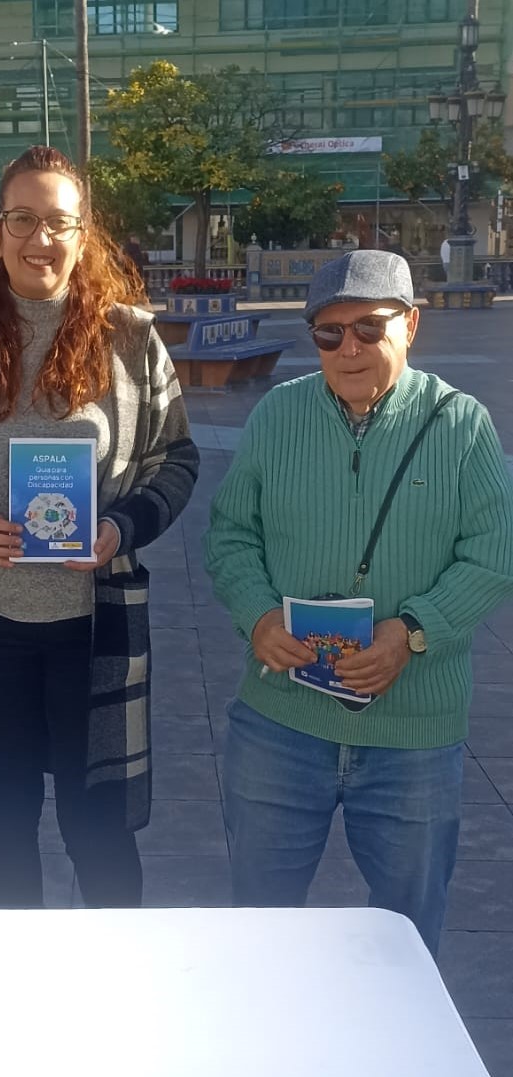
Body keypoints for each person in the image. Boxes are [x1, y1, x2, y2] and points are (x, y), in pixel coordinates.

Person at [0, 146, 199, 908]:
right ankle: (22, 964)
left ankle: (116, 963)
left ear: (83, 234)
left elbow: (176, 460)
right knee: (4, 821)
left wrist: (120, 527)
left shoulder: (129, 340)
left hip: (93, 629)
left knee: (99, 832)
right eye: (22, 219)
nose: (39, 238)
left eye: (58, 222)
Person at [204, 249, 513, 956]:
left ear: (410, 325)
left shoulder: (461, 425)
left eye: (369, 328)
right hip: (280, 722)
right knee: (259, 934)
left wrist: (412, 631)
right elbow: (230, 534)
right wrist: (257, 615)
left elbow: (492, 555)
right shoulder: (278, 414)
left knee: (405, 940)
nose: (349, 348)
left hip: (413, 734)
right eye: (329, 332)